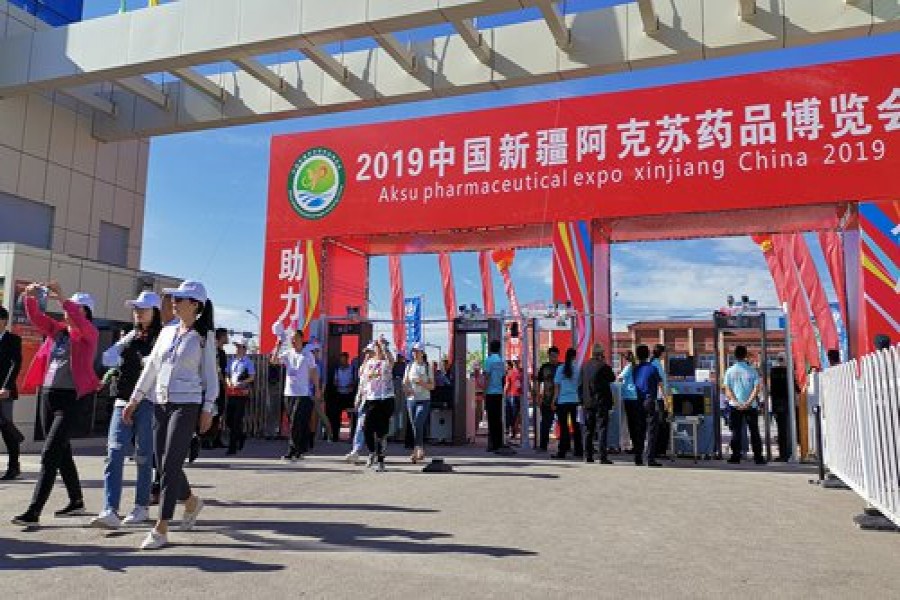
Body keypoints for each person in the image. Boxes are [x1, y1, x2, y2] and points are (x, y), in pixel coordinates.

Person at [125, 280, 217, 550]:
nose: (174, 303)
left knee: (171, 465)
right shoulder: (166, 332)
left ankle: (161, 528)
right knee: (163, 464)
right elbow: (151, 367)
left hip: (186, 404)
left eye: (180, 299)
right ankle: (191, 502)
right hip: (160, 402)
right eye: (174, 298)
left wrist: (208, 408)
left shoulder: (203, 337)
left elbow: (210, 377)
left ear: (195, 305)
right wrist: (135, 399)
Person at [12, 282, 99, 526]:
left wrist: (62, 296)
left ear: (86, 313)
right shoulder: (58, 332)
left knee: (50, 453)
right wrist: (29, 297)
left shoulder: (88, 334)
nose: (69, 312)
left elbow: (79, 322)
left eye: (77, 308)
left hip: (71, 400)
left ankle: (34, 511)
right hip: (48, 395)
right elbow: (37, 318)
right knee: (62, 453)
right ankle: (77, 502)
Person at [90, 291, 162, 529]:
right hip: (122, 400)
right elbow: (107, 358)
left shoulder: (162, 337)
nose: (138, 313)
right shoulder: (129, 336)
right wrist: (123, 345)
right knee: (114, 452)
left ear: (155, 312)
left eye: (143, 309)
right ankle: (110, 509)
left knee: (143, 455)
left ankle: (141, 506)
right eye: (135, 309)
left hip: (148, 402)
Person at [271, 328, 319, 461]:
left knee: (296, 422)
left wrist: (317, 388)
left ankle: (292, 450)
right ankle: (300, 449)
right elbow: (274, 361)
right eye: (291, 338)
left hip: (302, 393)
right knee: (294, 422)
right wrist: (277, 346)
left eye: (295, 338)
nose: (293, 340)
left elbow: (314, 371)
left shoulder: (307, 354)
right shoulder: (287, 353)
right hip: (289, 393)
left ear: (301, 339)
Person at [723, 345, 765, 465]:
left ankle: (736, 456)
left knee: (736, 431)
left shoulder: (730, 371)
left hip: (735, 407)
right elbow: (757, 388)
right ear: (745, 355)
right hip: (751, 407)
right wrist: (748, 402)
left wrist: (736, 402)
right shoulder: (752, 370)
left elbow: (727, 389)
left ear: (735, 356)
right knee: (754, 431)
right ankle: (758, 457)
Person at [361, 338, 395, 471]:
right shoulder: (369, 362)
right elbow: (362, 376)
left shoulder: (386, 362)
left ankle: (381, 461)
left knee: (381, 433)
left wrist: (384, 347)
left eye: (380, 348)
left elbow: (392, 361)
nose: (378, 350)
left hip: (385, 399)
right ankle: (371, 452)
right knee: (367, 428)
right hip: (371, 399)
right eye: (377, 348)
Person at [0, 306, 24, 481]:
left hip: (4, 392)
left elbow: (15, 364)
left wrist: (6, 387)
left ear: (4, 321)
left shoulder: (13, 340)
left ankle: (13, 467)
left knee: (6, 428)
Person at [581, 344, 615, 464]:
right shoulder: (603, 366)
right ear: (601, 354)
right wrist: (605, 362)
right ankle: (602, 456)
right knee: (602, 429)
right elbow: (612, 378)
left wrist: (582, 400)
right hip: (601, 402)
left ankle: (588, 455)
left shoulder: (585, 367)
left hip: (587, 402)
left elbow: (581, 385)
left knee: (588, 429)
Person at [403, 342, 434, 463]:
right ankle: (418, 450)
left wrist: (422, 383)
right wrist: (407, 390)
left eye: (417, 351)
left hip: (424, 399)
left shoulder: (427, 367)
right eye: (413, 351)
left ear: (422, 353)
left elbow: (432, 386)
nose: (414, 353)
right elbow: (404, 382)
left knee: (418, 421)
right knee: (414, 426)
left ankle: (418, 448)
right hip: (411, 400)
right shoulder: (409, 366)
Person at [633, 345, 663, 467]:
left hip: (638, 401)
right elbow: (660, 384)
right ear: (648, 354)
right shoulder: (652, 368)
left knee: (639, 430)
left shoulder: (635, 369)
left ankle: (638, 457)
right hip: (650, 401)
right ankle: (650, 458)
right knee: (651, 430)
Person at [552, 348, 583, 459]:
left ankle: (562, 451)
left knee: (564, 426)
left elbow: (557, 387)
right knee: (575, 425)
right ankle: (579, 450)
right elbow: (579, 385)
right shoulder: (577, 369)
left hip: (562, 401)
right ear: (574, 357)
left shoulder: (560, 368)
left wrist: (553, 400)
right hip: (574, 400)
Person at [345, 343, 374, 464]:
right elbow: (361, 384)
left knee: (374, 428)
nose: (367, 354)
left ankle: (375, 452)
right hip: (364, 399)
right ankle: (356, 451)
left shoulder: (380, 365)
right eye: (366, 352)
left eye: (370, 352)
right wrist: (358, 397)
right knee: (360, 425)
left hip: (375, 400)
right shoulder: (363, 366)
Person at [225, 339, 255, 455]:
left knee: (237, 419)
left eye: (239, 347)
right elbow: (227, 374)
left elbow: (252, 377)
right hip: (232, 392)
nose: (237, 349)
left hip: (241, 393)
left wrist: (242, 383)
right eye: (237, 347)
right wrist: (228, 382)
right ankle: (241, 435)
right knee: (229, 419)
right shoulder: (232, 360)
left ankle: (232, 447)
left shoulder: (248, 362)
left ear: (244, 349)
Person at [617, 351, 643, 460]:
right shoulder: (636, 367)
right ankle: (637, 445)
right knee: (636, 422)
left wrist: (618, 374)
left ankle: (634, 446)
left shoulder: (628, 367)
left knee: (630, 423)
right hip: (636, 396)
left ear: (625, 359)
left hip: (628, 397)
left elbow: (619, 379)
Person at [536, 346, 560, 453]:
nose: (553, 358)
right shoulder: (544, 367)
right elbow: (538, 381)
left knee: (563, 424)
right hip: (546, 399)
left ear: (558, 356)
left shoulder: (561, 367)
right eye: (551, 356)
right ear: (548, 356)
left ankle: (565, 446)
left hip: (560, 399)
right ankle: (543, 445)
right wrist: (537, 396)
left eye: (555, 356)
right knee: (545, 423)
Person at [484, 340, 507, 453]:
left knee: (491, 419)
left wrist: (484, 391)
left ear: (490, 348)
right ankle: (499, 443)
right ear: (498, 348)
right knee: (498, 418)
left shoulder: (489, 361)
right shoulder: (501, 361)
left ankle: (493, 444)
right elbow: (503, 378)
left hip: (490, 392)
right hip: (499, 392)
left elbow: (487, 377)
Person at [328, 352, 356, 442]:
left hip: (349, 396)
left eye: (344, 359)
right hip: (339, 395)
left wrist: (350, 386)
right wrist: (337, 385)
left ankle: (352, 437)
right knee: (335, 415)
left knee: (352, 416)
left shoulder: (352, 369)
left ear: (347, 359)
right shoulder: (337, 370)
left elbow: (354, 381)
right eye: (341, 360)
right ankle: (335, 436)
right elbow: (335, 381)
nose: (342, 361)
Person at [504, 360, 522, 439]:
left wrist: (503, 393)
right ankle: (514, 432)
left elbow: (507, 385)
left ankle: (511, 431)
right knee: (516, 415)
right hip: (518, 396)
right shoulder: (521, 373)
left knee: (510, 415)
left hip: (511, 395)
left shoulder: (510, 373)